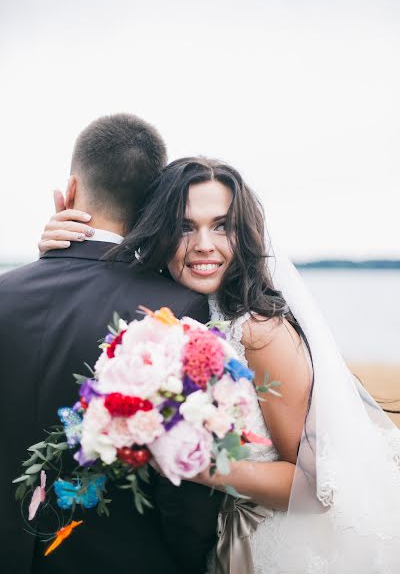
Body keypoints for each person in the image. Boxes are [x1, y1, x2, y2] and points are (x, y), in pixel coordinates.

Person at [40, 155, 400, 573]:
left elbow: (316, 486)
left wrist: (194, 463)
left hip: (268, 547)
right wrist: (66, 245)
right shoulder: (176, 315)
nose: (204, 244)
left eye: (221, 225)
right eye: (185, 226)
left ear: (242, 234)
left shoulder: (259, 331)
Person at [0, 121, 222, 574]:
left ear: (71, 190)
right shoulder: (180, 310)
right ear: (153, 204)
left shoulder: (4, 293)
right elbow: (185, 483)